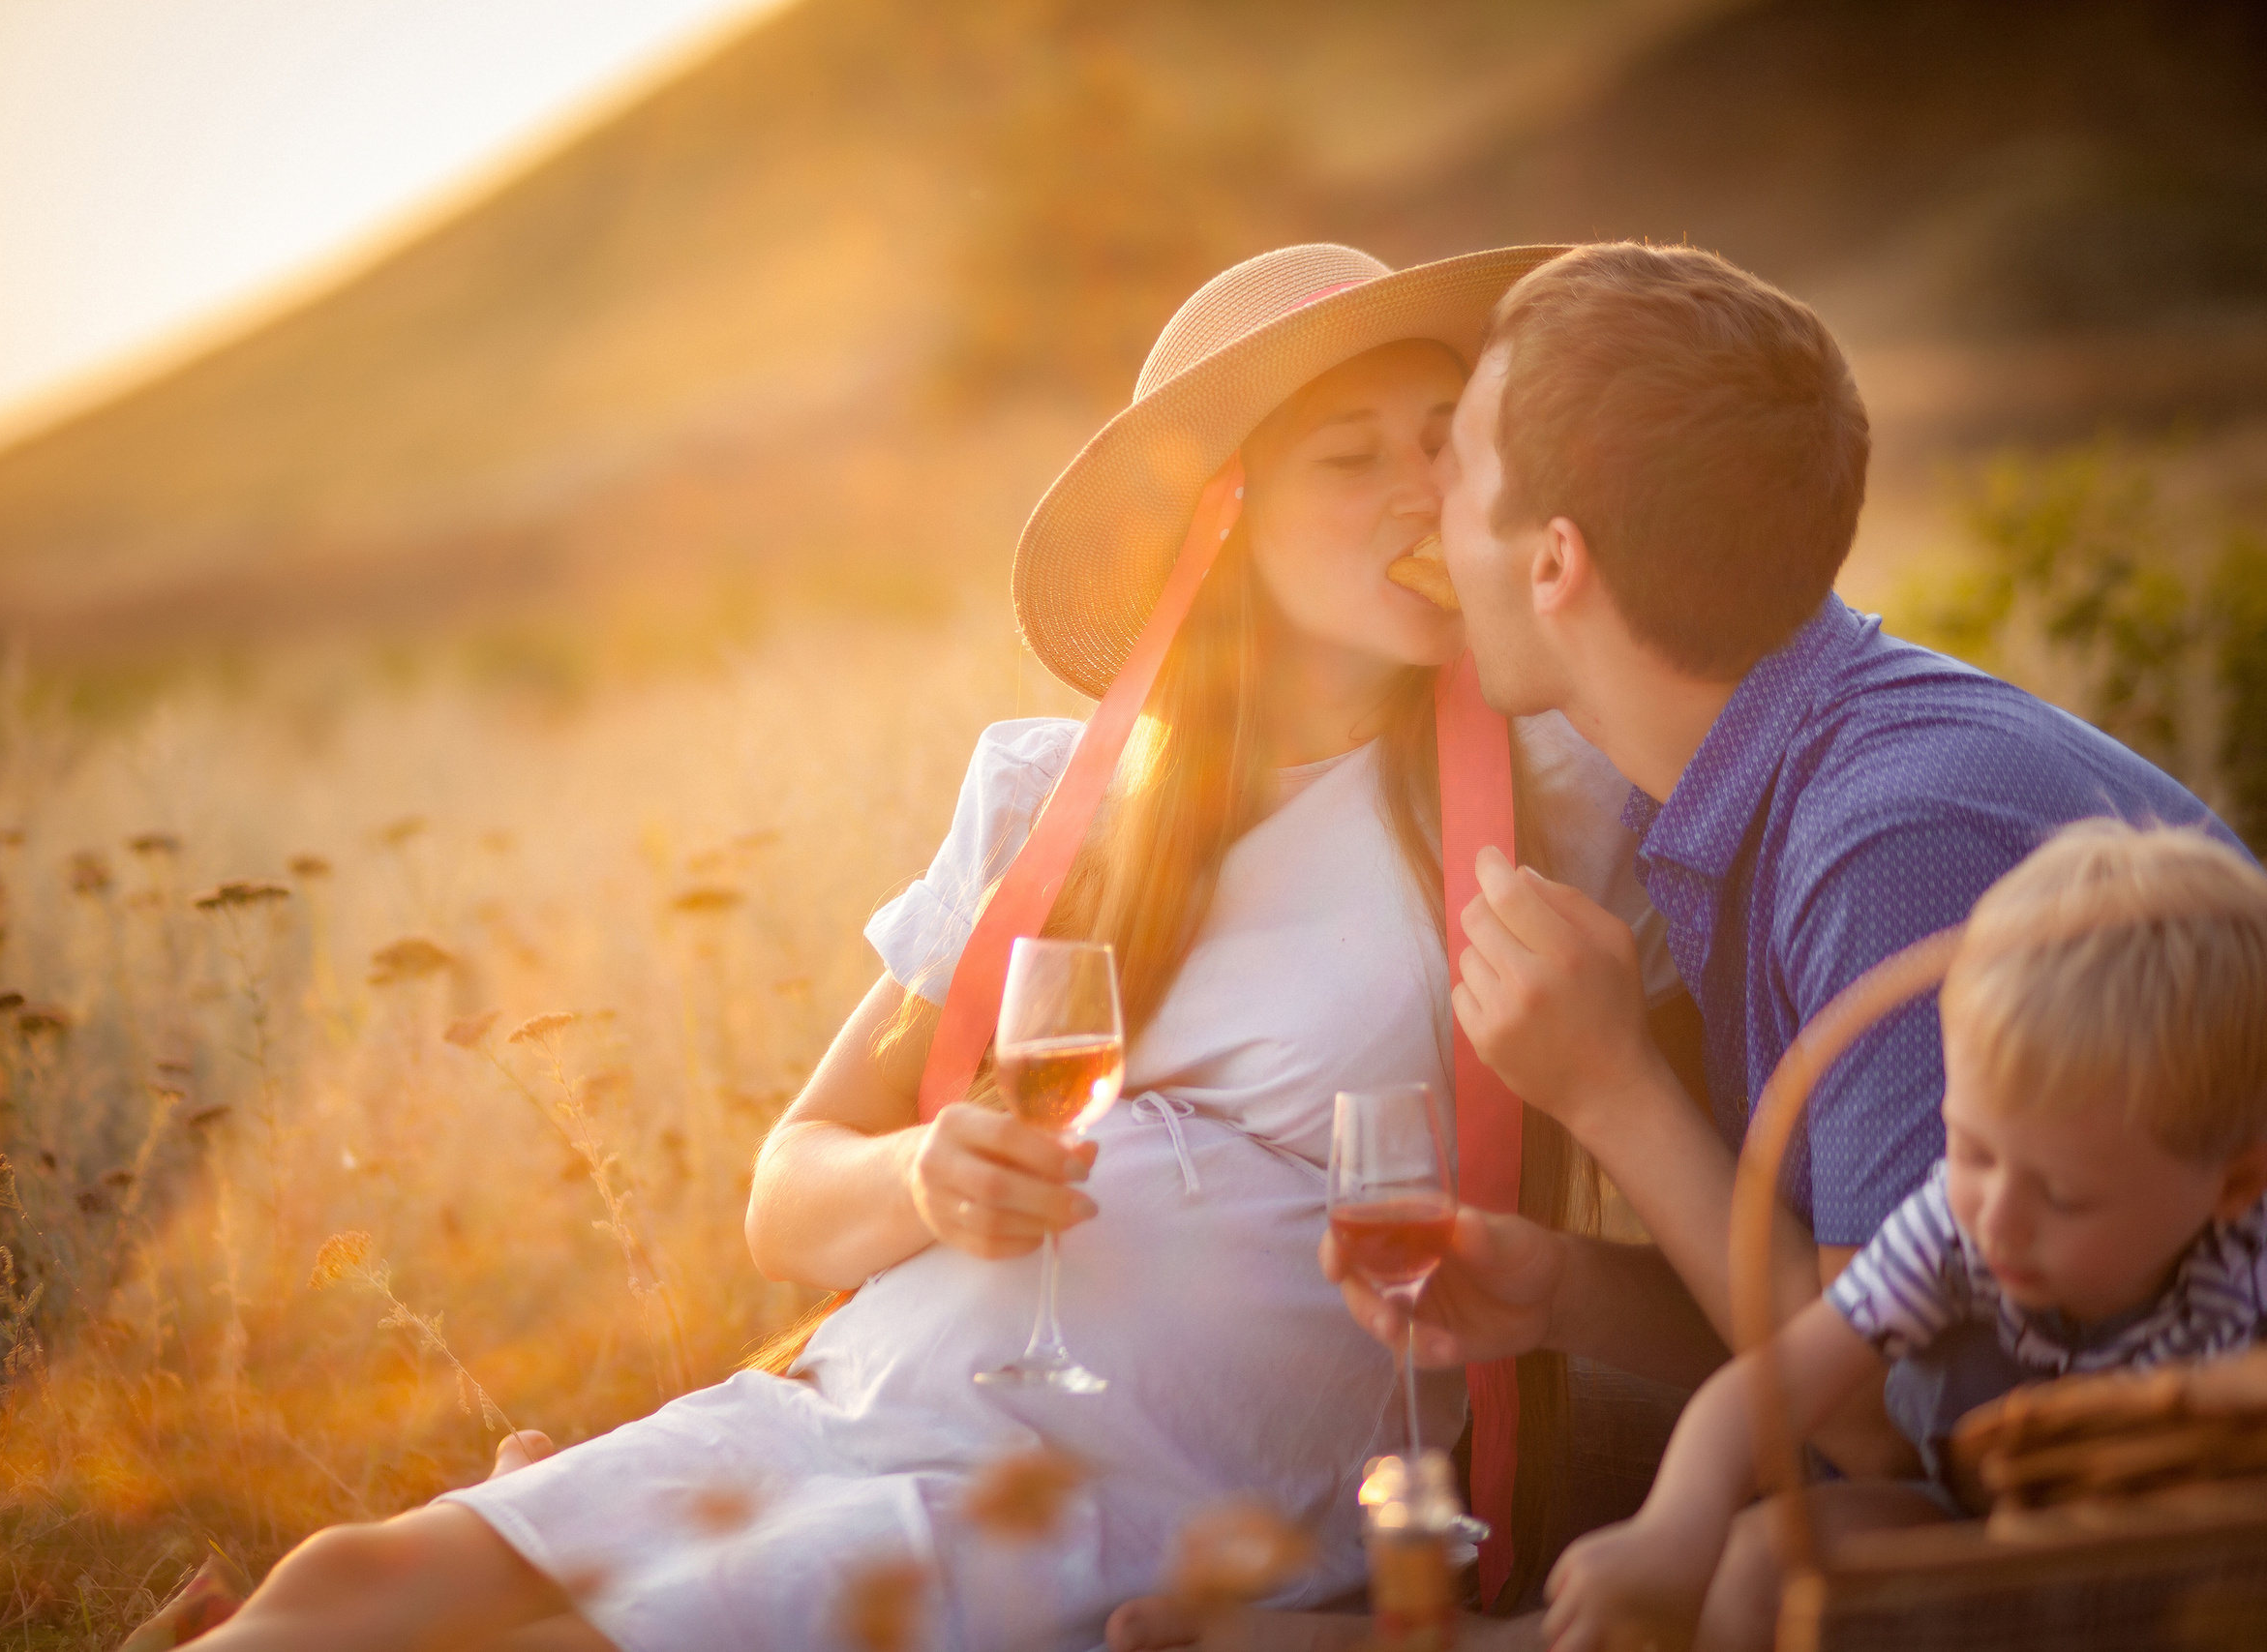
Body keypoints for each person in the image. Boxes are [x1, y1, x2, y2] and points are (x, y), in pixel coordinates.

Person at [150, 243, 1692, 1652]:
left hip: (1146, 1473)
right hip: (873, 1395)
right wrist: (924, 1175)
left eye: (1445, 437)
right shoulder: (1059, 800)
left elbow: (1735, 1250)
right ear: (1222, 526)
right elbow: (789, 1194)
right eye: (1354, 458)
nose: (1425, 488)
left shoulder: (1560, 795)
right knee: (341, 1586)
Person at [1333, 242, 2247, 1477]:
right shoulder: (1766, 766)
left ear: (1553, 561)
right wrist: (1558, 1288)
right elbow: (1847, 1308)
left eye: (1459, 457)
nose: (1425, 491)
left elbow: (1914, 1434)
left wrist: (1610, 1090)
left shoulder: (1891, 841)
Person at [1542, 823, 2267, 1652]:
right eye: (1971, 1148)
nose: (1997, 1213)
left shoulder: (2248, 1256)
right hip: (1990, 1533)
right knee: (1760, 1563)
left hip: (2207, 1550)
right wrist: (1671, 1532)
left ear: (2236, 1183)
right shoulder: (1955, 1227)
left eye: (2063, 1196)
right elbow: (1762, 1394)